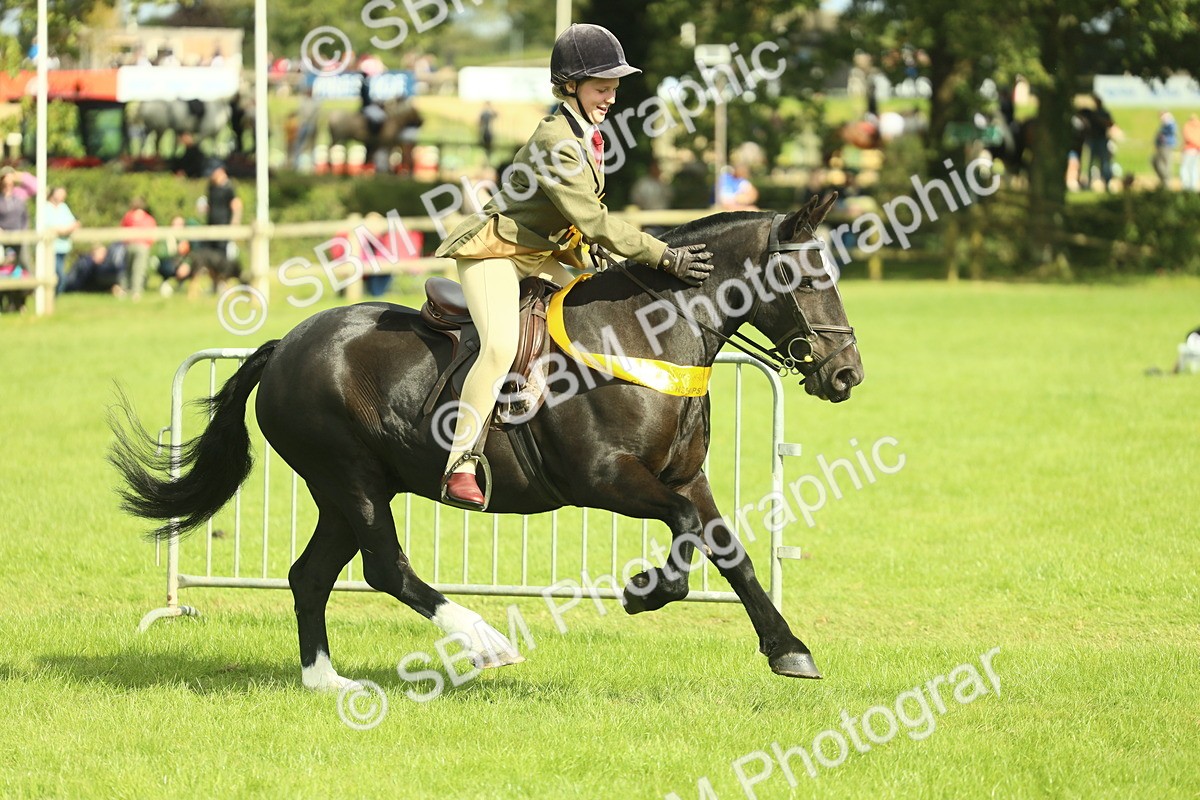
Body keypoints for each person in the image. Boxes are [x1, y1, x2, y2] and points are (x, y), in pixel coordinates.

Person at [431, 23, 714, 510]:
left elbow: (576, 220)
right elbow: (592, 216)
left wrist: (592, 254)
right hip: (495, 252)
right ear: (570, 86)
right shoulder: (554, 141)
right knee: (499, 347)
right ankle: (461, 462)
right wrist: (664, 255)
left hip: (542, 253)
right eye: (602, 88)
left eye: (614, 88)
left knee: (600, 313)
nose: (611, 97)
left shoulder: (587, 134)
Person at [43, 186, 80, 293]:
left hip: (63, 246)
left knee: (60, 276)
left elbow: (73, 223)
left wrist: (65, 229)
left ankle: (54, 299)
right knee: (59, 276)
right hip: (51, 247)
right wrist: (64, 230)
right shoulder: (46, 208)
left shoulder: (63, 207)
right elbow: (48, 228)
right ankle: (51, 299)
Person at [119, 197, 156, 300]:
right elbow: (152, 233)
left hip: (130, 245)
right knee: (138, 269)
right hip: (142, 245)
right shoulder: (148, 218)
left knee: (127, 269)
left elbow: (122, 229)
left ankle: (124, 289)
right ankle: (136, 292)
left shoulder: (128, 216)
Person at [206, 166, 242, 263]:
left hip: (224, 222)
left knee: (222, 248)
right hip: (212, 222)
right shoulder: (211, 187)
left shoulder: (229, 188)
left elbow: (236, 204)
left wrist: (235, 222)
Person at [0, 167, 30, 272]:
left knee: (24, 261)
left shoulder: (20, 196)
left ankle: (28, 286)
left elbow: (36, 186)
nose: (8, 185)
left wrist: (17, 175)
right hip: (3, 236)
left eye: (10, 182)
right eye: (5, 182)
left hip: (19, 235)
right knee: (3, 260)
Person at [1083, 95, 1113, 191]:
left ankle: (1107, 183)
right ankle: (1088, 183)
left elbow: (1110, 123)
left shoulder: (1103, 113)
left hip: (1102, 140)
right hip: (1093, 139)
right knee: (1091, 162)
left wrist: (1099, 120)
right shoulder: (1092, 113)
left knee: (1104, 162)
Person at [1153, 111, 1179, 188]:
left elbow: (1172, 131)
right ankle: (1164, 180)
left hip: (1167, 146)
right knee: (1156, 162)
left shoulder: (1170, 124)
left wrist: (1166, 124)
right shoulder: (1164, 125)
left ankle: (1167, 182)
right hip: (1161, 146)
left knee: (1166, 163)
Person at [1182, 114, 1200, 192]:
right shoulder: (1198, 127)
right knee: (1194, 168)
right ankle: (1192, 186)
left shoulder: (1187, 126)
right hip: (1197, 149)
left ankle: (1187, 186)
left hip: (1189, 150)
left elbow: (1188, 137)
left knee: (1185, 168)